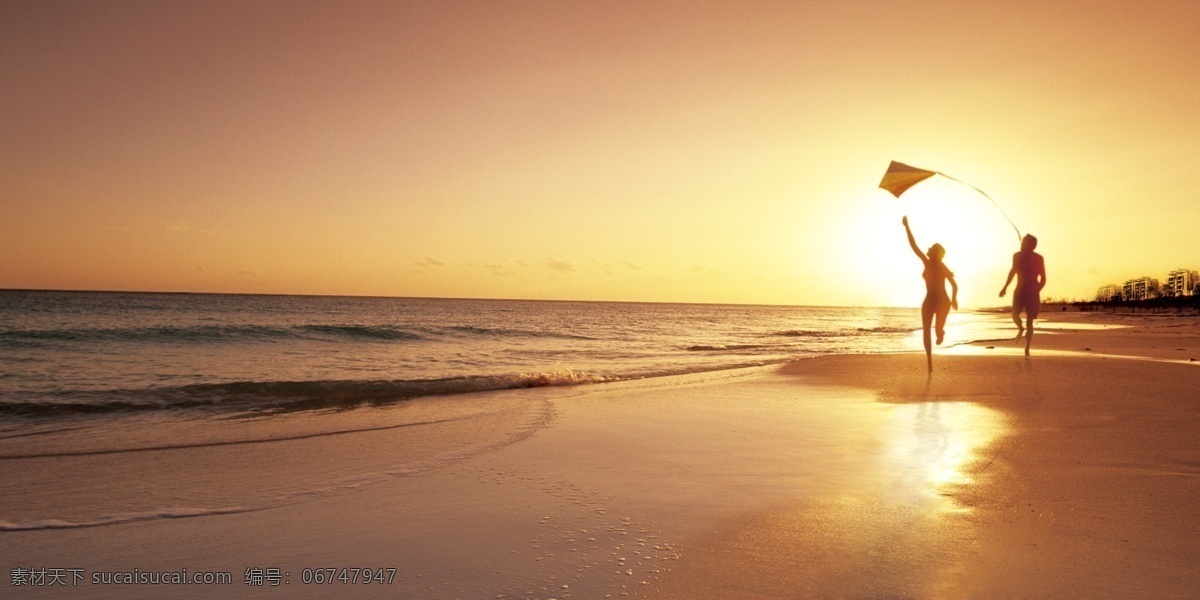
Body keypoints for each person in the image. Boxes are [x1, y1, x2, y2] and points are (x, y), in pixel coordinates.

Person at [903, 216, 958, 373]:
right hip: (928, 301)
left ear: (935, 253)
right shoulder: (926, 262)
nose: (927, 251)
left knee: (937, 330)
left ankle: (941, 333)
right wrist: (907, 227)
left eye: (930, 249)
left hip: (942, 302)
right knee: (926, 330)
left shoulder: (942, 267)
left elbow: (953, 284)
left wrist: (954, 298)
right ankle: (929, 362)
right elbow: (914, 246)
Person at [999, 234, 1046, 356]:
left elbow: (1043, 278)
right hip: (1019, 290)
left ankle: (1027, 348)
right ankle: (1020, 328)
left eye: (1024, 242)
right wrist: (1005, 287)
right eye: (1022, 242)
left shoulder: (1038, 258)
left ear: (1032, 245)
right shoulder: (1017, 256)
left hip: (1032, 292)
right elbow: (1013, 271)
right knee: (1014, 314)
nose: (1022, 244)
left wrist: (1036, 291)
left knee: (1030, 321)